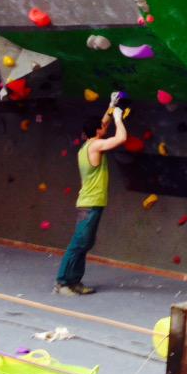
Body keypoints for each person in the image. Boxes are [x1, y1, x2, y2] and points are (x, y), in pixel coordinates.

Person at [54, 96, 127, 296]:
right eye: (102, 128)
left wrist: (111, 107)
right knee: (78, 244)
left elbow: (102, 124)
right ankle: (62, 283)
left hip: (91, 203)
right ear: (97, 132)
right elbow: (120, 138)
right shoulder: (95, 146)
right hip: (90, 204)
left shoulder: (87, 145)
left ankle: (74, 281)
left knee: (84, 244)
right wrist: (119, 119)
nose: (106, 128)